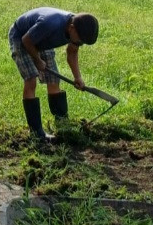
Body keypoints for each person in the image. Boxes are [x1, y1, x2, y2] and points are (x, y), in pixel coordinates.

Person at [8, 8, 99, 141]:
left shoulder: (78, 27)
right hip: (21, 37)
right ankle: (37, 132)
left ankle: (62, 123)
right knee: (31, 79)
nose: (80, 43)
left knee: (54, 79)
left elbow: (72, 53)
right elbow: (26, 40)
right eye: (80, 41)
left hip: (42, 40)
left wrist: (78, 77)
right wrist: (37, 60)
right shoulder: (50, 23)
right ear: (71, 28)